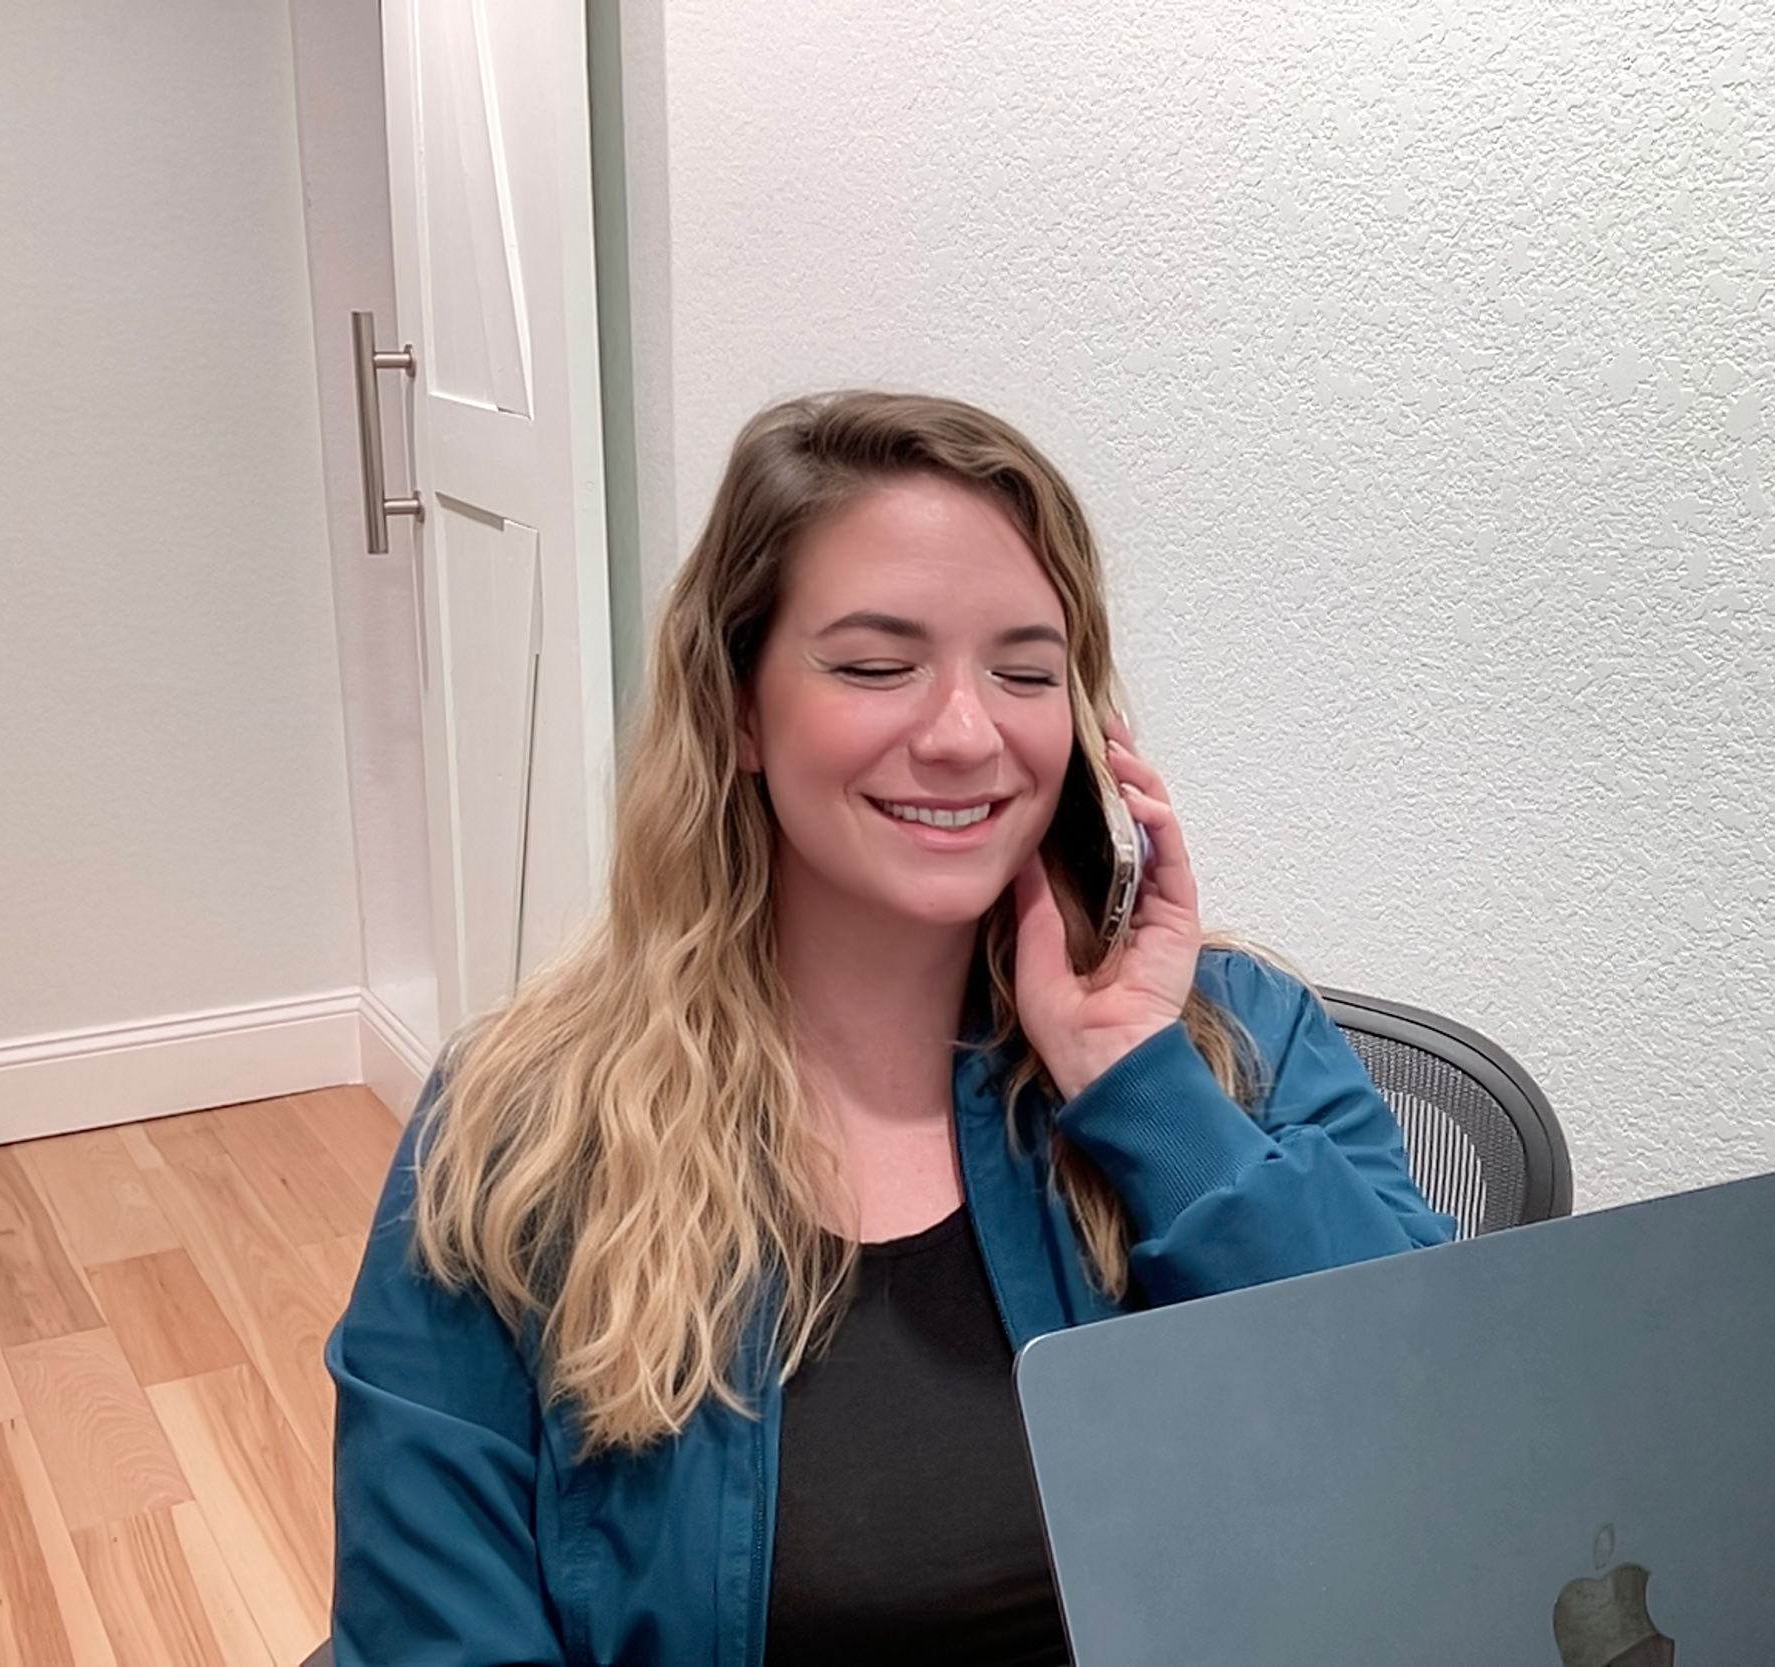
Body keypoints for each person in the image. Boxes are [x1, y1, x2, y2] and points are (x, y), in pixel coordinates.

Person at [326, 391, 1455, 1667]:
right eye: (875, 665)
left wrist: (1141, 1090)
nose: (966, 734)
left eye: (1027, 671)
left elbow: (1433, 1449)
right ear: (740, 710)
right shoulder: (521, 1129)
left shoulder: (1232, 1048)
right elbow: (433, 1631)